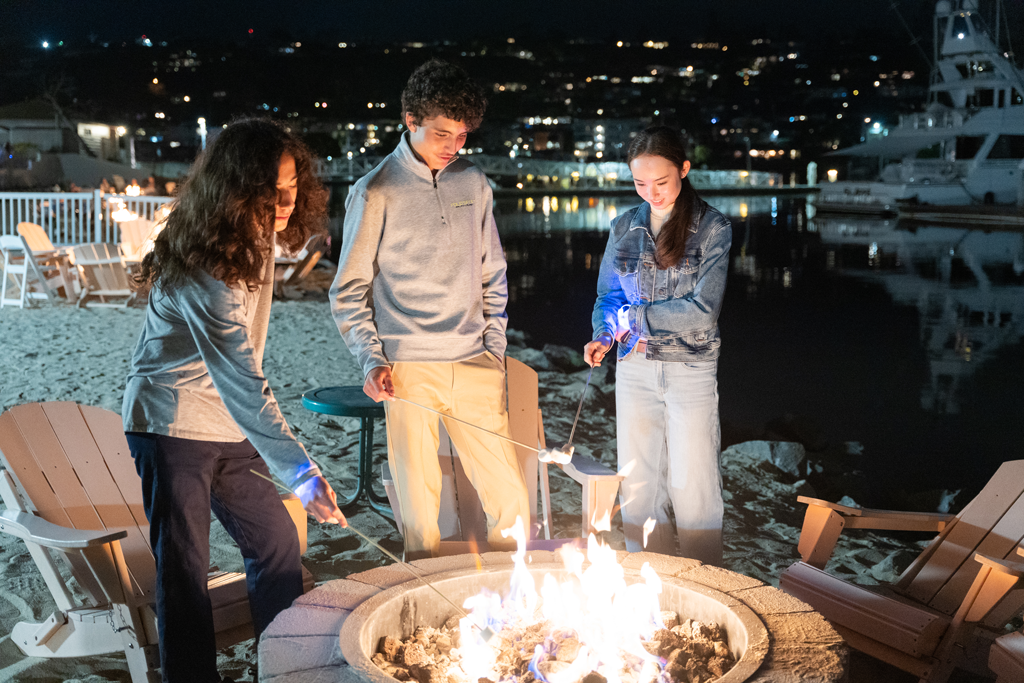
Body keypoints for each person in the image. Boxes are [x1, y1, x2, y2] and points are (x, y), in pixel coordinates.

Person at [122, 118, 344, 683]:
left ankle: (281, 666)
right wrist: (301, 471)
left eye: (293, 186)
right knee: (185, 571)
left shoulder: (256, 242)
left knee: (276, 544)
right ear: (235, 189)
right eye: (270, 189)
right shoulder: (207, 266)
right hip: (170, 425)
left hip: (228, 427)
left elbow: (241, 385)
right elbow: (243, 378)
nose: (286, 201)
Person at [331, 59, 530, 561]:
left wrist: (494, 350)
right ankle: (420, 588)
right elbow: (348, 289)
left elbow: (493, 274)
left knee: (509, 497)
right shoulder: (374, 190)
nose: (453, 146)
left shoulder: (474, 183)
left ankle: (519, 586)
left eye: (462, 135)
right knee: (419, 507)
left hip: (474, 362)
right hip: (408, 367)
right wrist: (372, 360)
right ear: (409, 119)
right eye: (442, 133)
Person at [584, 126, 732, 565]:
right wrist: (603, 335)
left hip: (691, 367)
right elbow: (609, 294)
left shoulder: (712, 228)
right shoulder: (625, 226)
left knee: (695, 481)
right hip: (634, 367)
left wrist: (636, 320)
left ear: (684, 170)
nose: (652, 193)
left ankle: (706, 574)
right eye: (640, 183)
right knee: (639, 479)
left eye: (661, 182)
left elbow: (703, 308)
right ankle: (651, 574)